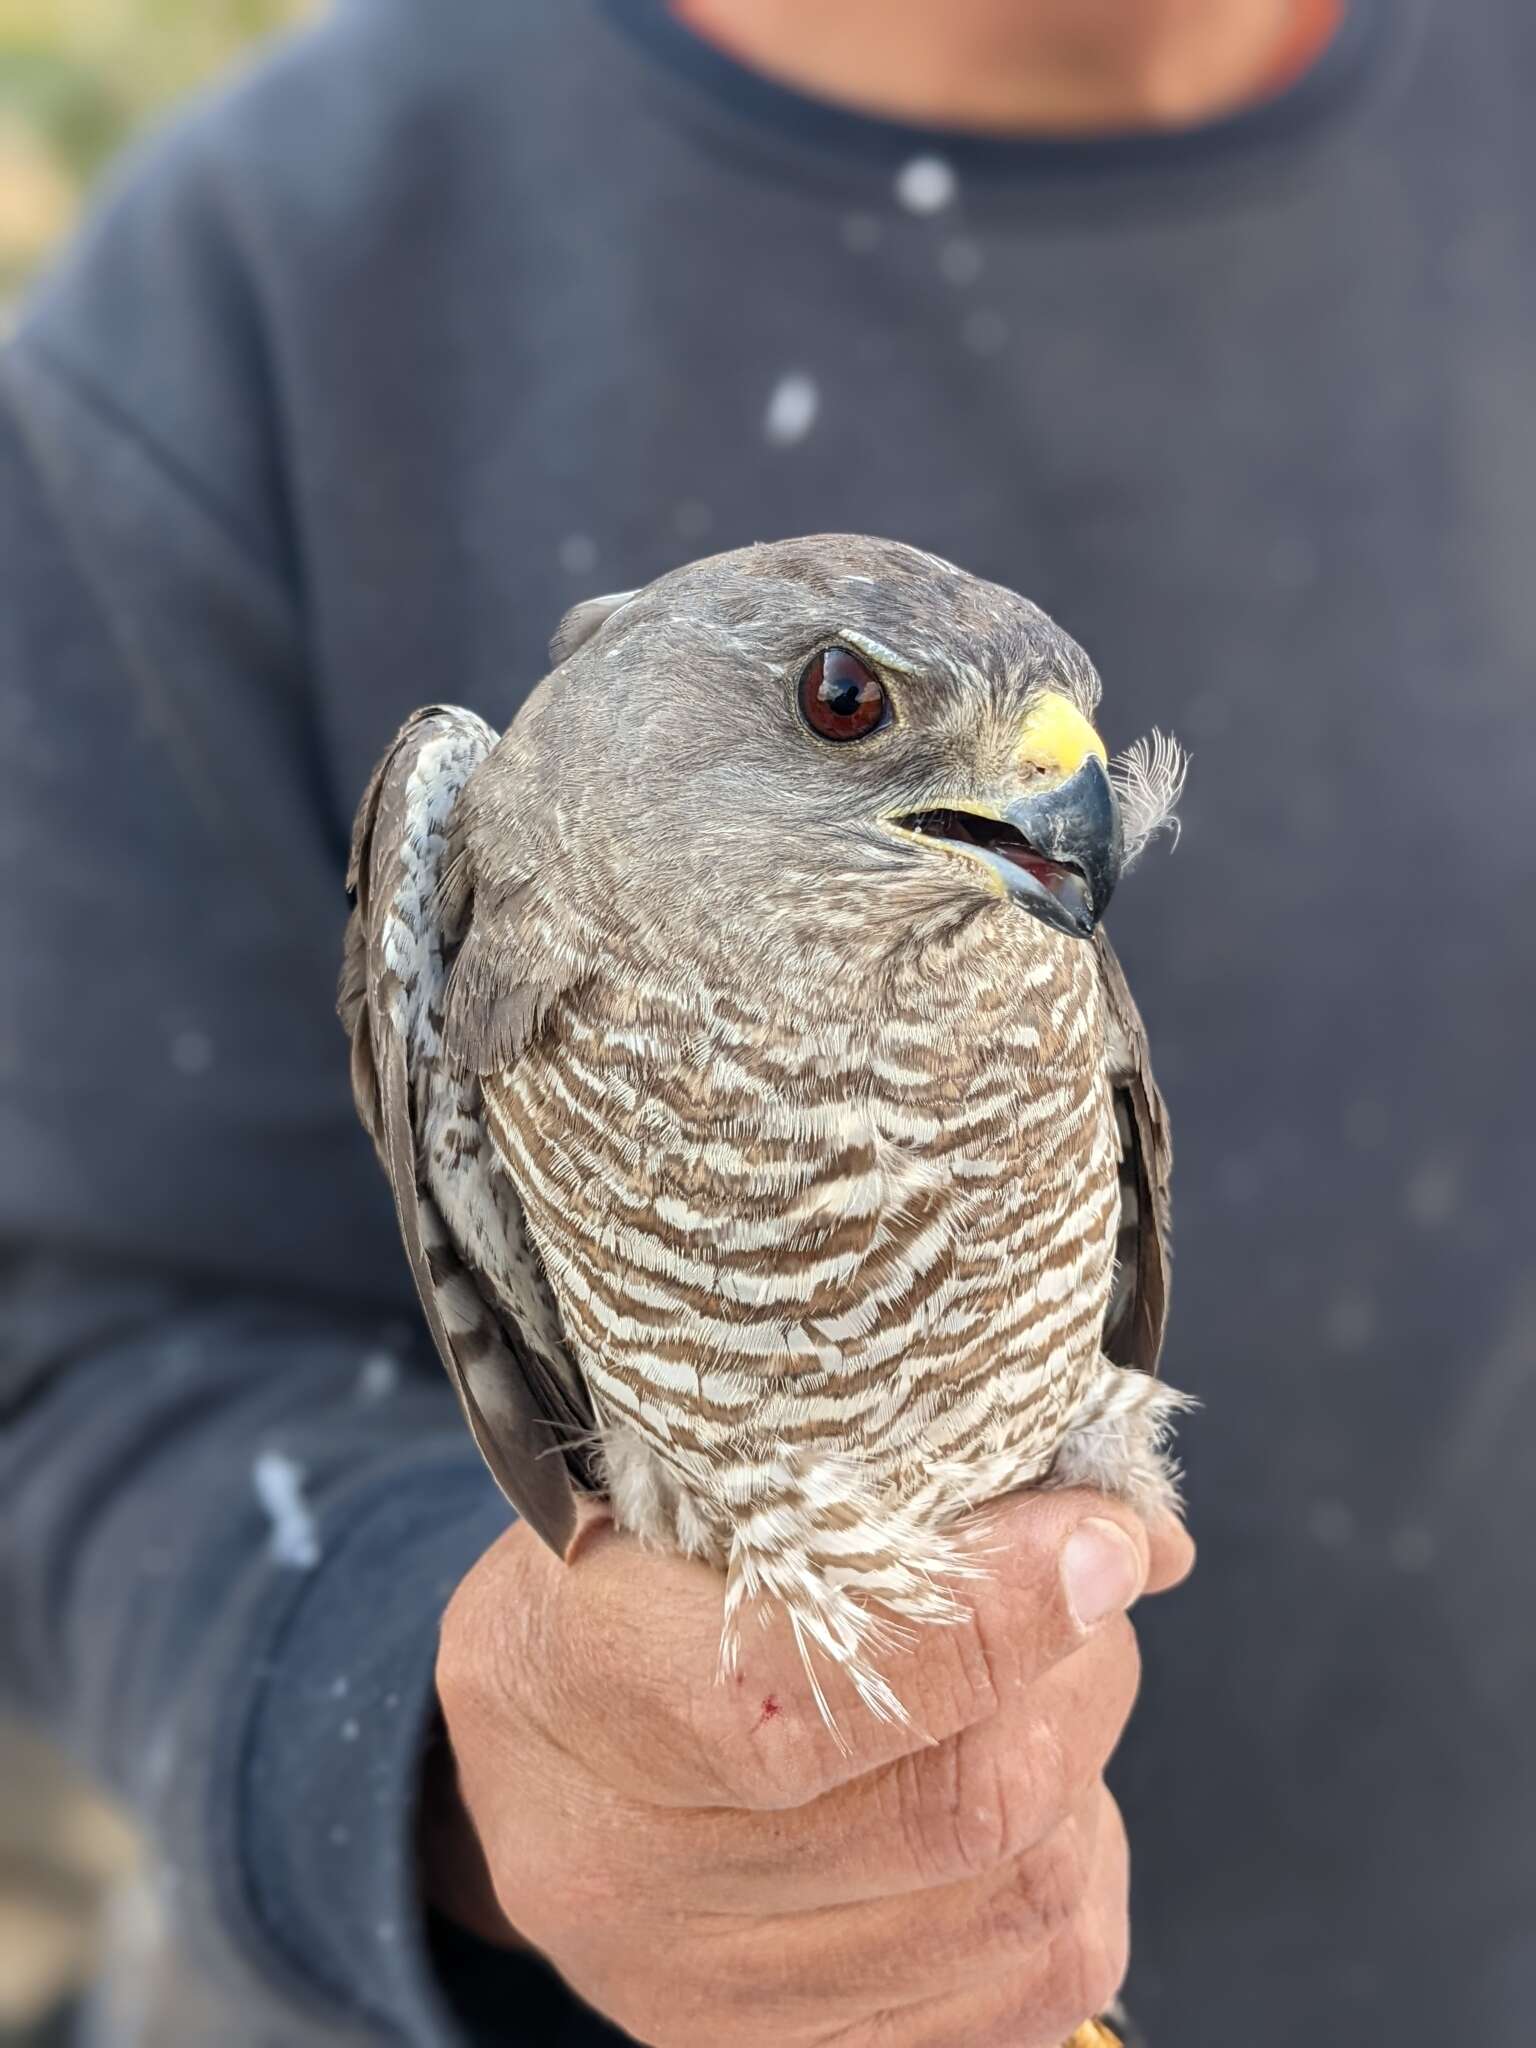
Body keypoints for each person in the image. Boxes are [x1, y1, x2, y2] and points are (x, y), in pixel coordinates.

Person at [2, 0, 1532, 2041]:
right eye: (849, 708)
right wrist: (454, 1756)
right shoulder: (255, 277)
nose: (1053, 791)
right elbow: (74, 1354)